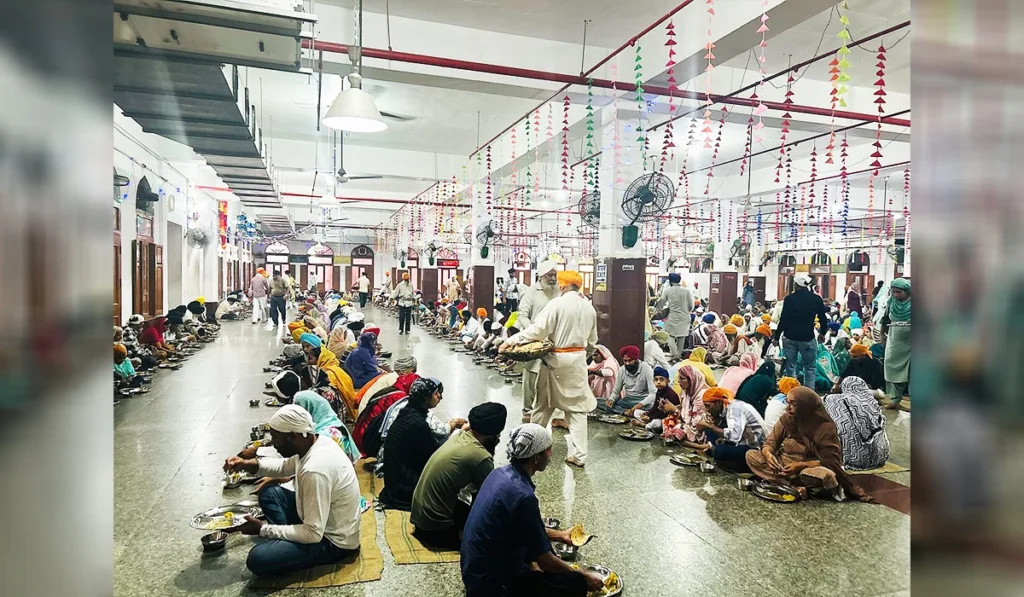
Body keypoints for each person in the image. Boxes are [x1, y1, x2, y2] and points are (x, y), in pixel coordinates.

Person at [460, 424, 604, 597]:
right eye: (548, 450)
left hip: (474, 571)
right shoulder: (523, 496)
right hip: (490, 585)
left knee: (545, 555)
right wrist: (583, 576)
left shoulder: (499, 473)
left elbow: (525, 528)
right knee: (574, 584)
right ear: (536, 457)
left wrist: (561, 535)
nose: (551, 454)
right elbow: (545, 562)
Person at [223, 405, 362, 577]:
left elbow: (313, 534)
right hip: (320, 520)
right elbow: (284, 466)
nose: (273, 443)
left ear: (293, 437)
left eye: (275, 437)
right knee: (270, 494)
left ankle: (284, 542)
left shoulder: (314, 469)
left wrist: (262, 529)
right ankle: (286, 539)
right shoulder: (316, 442)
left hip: (334, 541)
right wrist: (247, 464)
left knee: (257, 558)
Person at [501, 270, 598, 468]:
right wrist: (581, 356)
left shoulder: (557, 304)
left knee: (542, 406)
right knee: (577, 410)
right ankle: (580, 456)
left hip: (555, 361)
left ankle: (529, 447)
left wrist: (511, 341)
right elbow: (592, 342)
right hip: (578, 363)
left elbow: (537, 331)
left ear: (563, 285)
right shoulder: (589, 307)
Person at [745, 387, 873, 502]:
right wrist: (769, 455)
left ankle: (783, 483)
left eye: (793, 404)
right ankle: (793, 486)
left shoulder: (825, 428)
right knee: (751, 456)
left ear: (805, 407)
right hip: (783, 465)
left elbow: (832, 460)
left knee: (827, 476)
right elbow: (770, 443)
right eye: (787, 403)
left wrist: (800, 465)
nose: (788, 408)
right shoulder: (786, 420)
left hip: (808, 468)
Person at [411, 402, 508, 550]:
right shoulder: (480, 456)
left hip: (420, 519)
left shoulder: (460, 436)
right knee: (503, 537)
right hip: (436, 531)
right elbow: (489, 499)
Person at [515, 260, 560, 421]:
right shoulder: (532, 292)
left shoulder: (559, 291)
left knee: (554, 376)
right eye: (549, 275)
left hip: (555, 341)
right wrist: (533, 331)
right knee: (531, 376)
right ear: (541, 276)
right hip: (535, 341)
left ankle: (555, 412)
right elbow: (522, 315)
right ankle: (527, 409)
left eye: (554, 275)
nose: (553, 278)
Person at [823, 377, 890, 470]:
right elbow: (880, 394)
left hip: (852, 459)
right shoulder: (871, 402)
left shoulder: (834, 401)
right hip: (879, 457)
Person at [773, 274, 828, 387]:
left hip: (789, 337)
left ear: (796, 285)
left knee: (790, 367)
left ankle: (791, 391)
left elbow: (784, 319)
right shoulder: (816, 299)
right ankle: (808, 392)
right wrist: (822, 333)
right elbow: (823, 318)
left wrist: (776, 337)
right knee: (810, 368)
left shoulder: (789, 299)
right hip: (807, 337)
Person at [697, 387, 766, 473]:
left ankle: (736, 465)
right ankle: (718, 454)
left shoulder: (735, 409)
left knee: (719, 451)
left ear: (718, 403)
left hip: (755, 449)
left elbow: (734, 436)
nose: (707, 410)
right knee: (712, 434)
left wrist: (710, 426)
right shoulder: (727, 408)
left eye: (708, 406)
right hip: (743, 442)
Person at [298, 334, 358, 419]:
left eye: (310, 359)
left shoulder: (328, 374)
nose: (308, 362)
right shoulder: (334, 366)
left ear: (320, 359)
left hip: (338, 411)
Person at [660, 363, 709, 447]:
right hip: (688, 423)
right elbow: (683, 408)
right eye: (679, 378)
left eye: (682, 379)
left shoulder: (702, 395)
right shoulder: (688, 390)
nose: (679, 381)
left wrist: (674, 409)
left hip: (699, 429)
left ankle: (694, 444)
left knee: (677, 430)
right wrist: (670, 407)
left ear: (692, 379)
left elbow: (695, 423)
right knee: (667, 420)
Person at [880, 277, 911, 409]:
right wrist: (882, 335)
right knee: (893, 368)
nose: (895, 294)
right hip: (895, 340)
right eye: (893, 292)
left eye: (899, 292)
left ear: (907, 292)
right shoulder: (892, 302)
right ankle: (895, 399)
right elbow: (885, 319)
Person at [603, 345, 656, 415]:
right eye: (625, 361)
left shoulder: (647, 369)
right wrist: (611, 400)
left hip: (643, 402)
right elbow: (616, 392)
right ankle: (626, 412)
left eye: (630, 360)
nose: (627, 363)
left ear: (636, 359)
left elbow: (653, 394)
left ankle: (627, 412)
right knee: (600, 402)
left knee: (652, 408)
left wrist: (639, 405)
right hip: (628, 401)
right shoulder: (622, 370)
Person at [628, 366, 680, 433]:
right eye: (656, 380)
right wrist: (647, 413)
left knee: (656, 423)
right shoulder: (659, 391)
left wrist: (650, 418)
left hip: (668, 419)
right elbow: (655, 407)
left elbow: (664, 414)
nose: (658, 382)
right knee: (637, 412)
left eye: (661, 379)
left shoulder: (670, 394)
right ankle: (649, 423)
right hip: (656, 416)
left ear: (668, 381)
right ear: (653, 381)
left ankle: (643, 425)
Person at [655, 273, 694, 357]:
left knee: (669, 334)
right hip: (684, 317)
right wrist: (686, 311)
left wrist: (658, 311)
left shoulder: (667, 291)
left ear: (670, 281)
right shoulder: (686, 291)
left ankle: (673, 353)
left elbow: (661, 302)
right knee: (681, 337)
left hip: (672, 317)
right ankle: (678, 355)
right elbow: (691, 305)